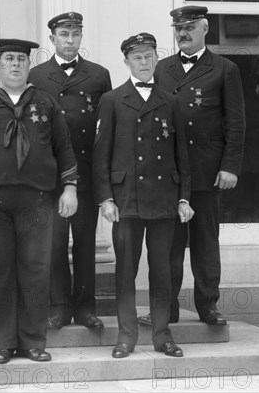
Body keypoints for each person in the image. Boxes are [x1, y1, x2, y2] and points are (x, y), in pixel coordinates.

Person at [0, 38, 78, 364]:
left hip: (37, 200)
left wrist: (70, 188)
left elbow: (63, 148)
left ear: (29, 65)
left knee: (36, 271)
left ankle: (33, 341)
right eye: (9, 59)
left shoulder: (45, 103)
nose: (16, 64)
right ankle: (1, 343)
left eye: (21, 59)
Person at [138, 6, 245, 327]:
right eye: (178, 28)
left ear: (205, 29)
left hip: (206, 172)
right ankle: (166, 308)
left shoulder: (225, 69)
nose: (182, 34)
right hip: (167, 174)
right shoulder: (163, 68)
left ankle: (208, 307)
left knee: (204, 243)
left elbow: (236, 123)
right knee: (166, 245)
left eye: (189, 28)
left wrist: (230, 166)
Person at [94, 32, 193, 358]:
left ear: (156, 57)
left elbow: (182, 155)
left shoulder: (171, 100)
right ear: (126, 62)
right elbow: (101, 155)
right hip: (126, 200)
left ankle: (163, 335)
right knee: (125, 271)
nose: (145, 62)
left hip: (164, 198)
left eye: (150, 56)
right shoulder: (111, 100)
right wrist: (105, 198)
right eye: (138, 57)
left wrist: (184, 198)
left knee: (163, 270)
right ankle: (126, 336)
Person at [29, 12, 112, 330]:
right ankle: (58, 308)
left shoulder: (98, 75)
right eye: (64, 34)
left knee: (85, 242)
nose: (70, 40)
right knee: (54, 243)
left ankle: (86, 308)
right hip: (50, 177)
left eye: (75, 34)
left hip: (86, 174)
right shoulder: (37, 75)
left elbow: (105, 130)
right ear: (52, 39)